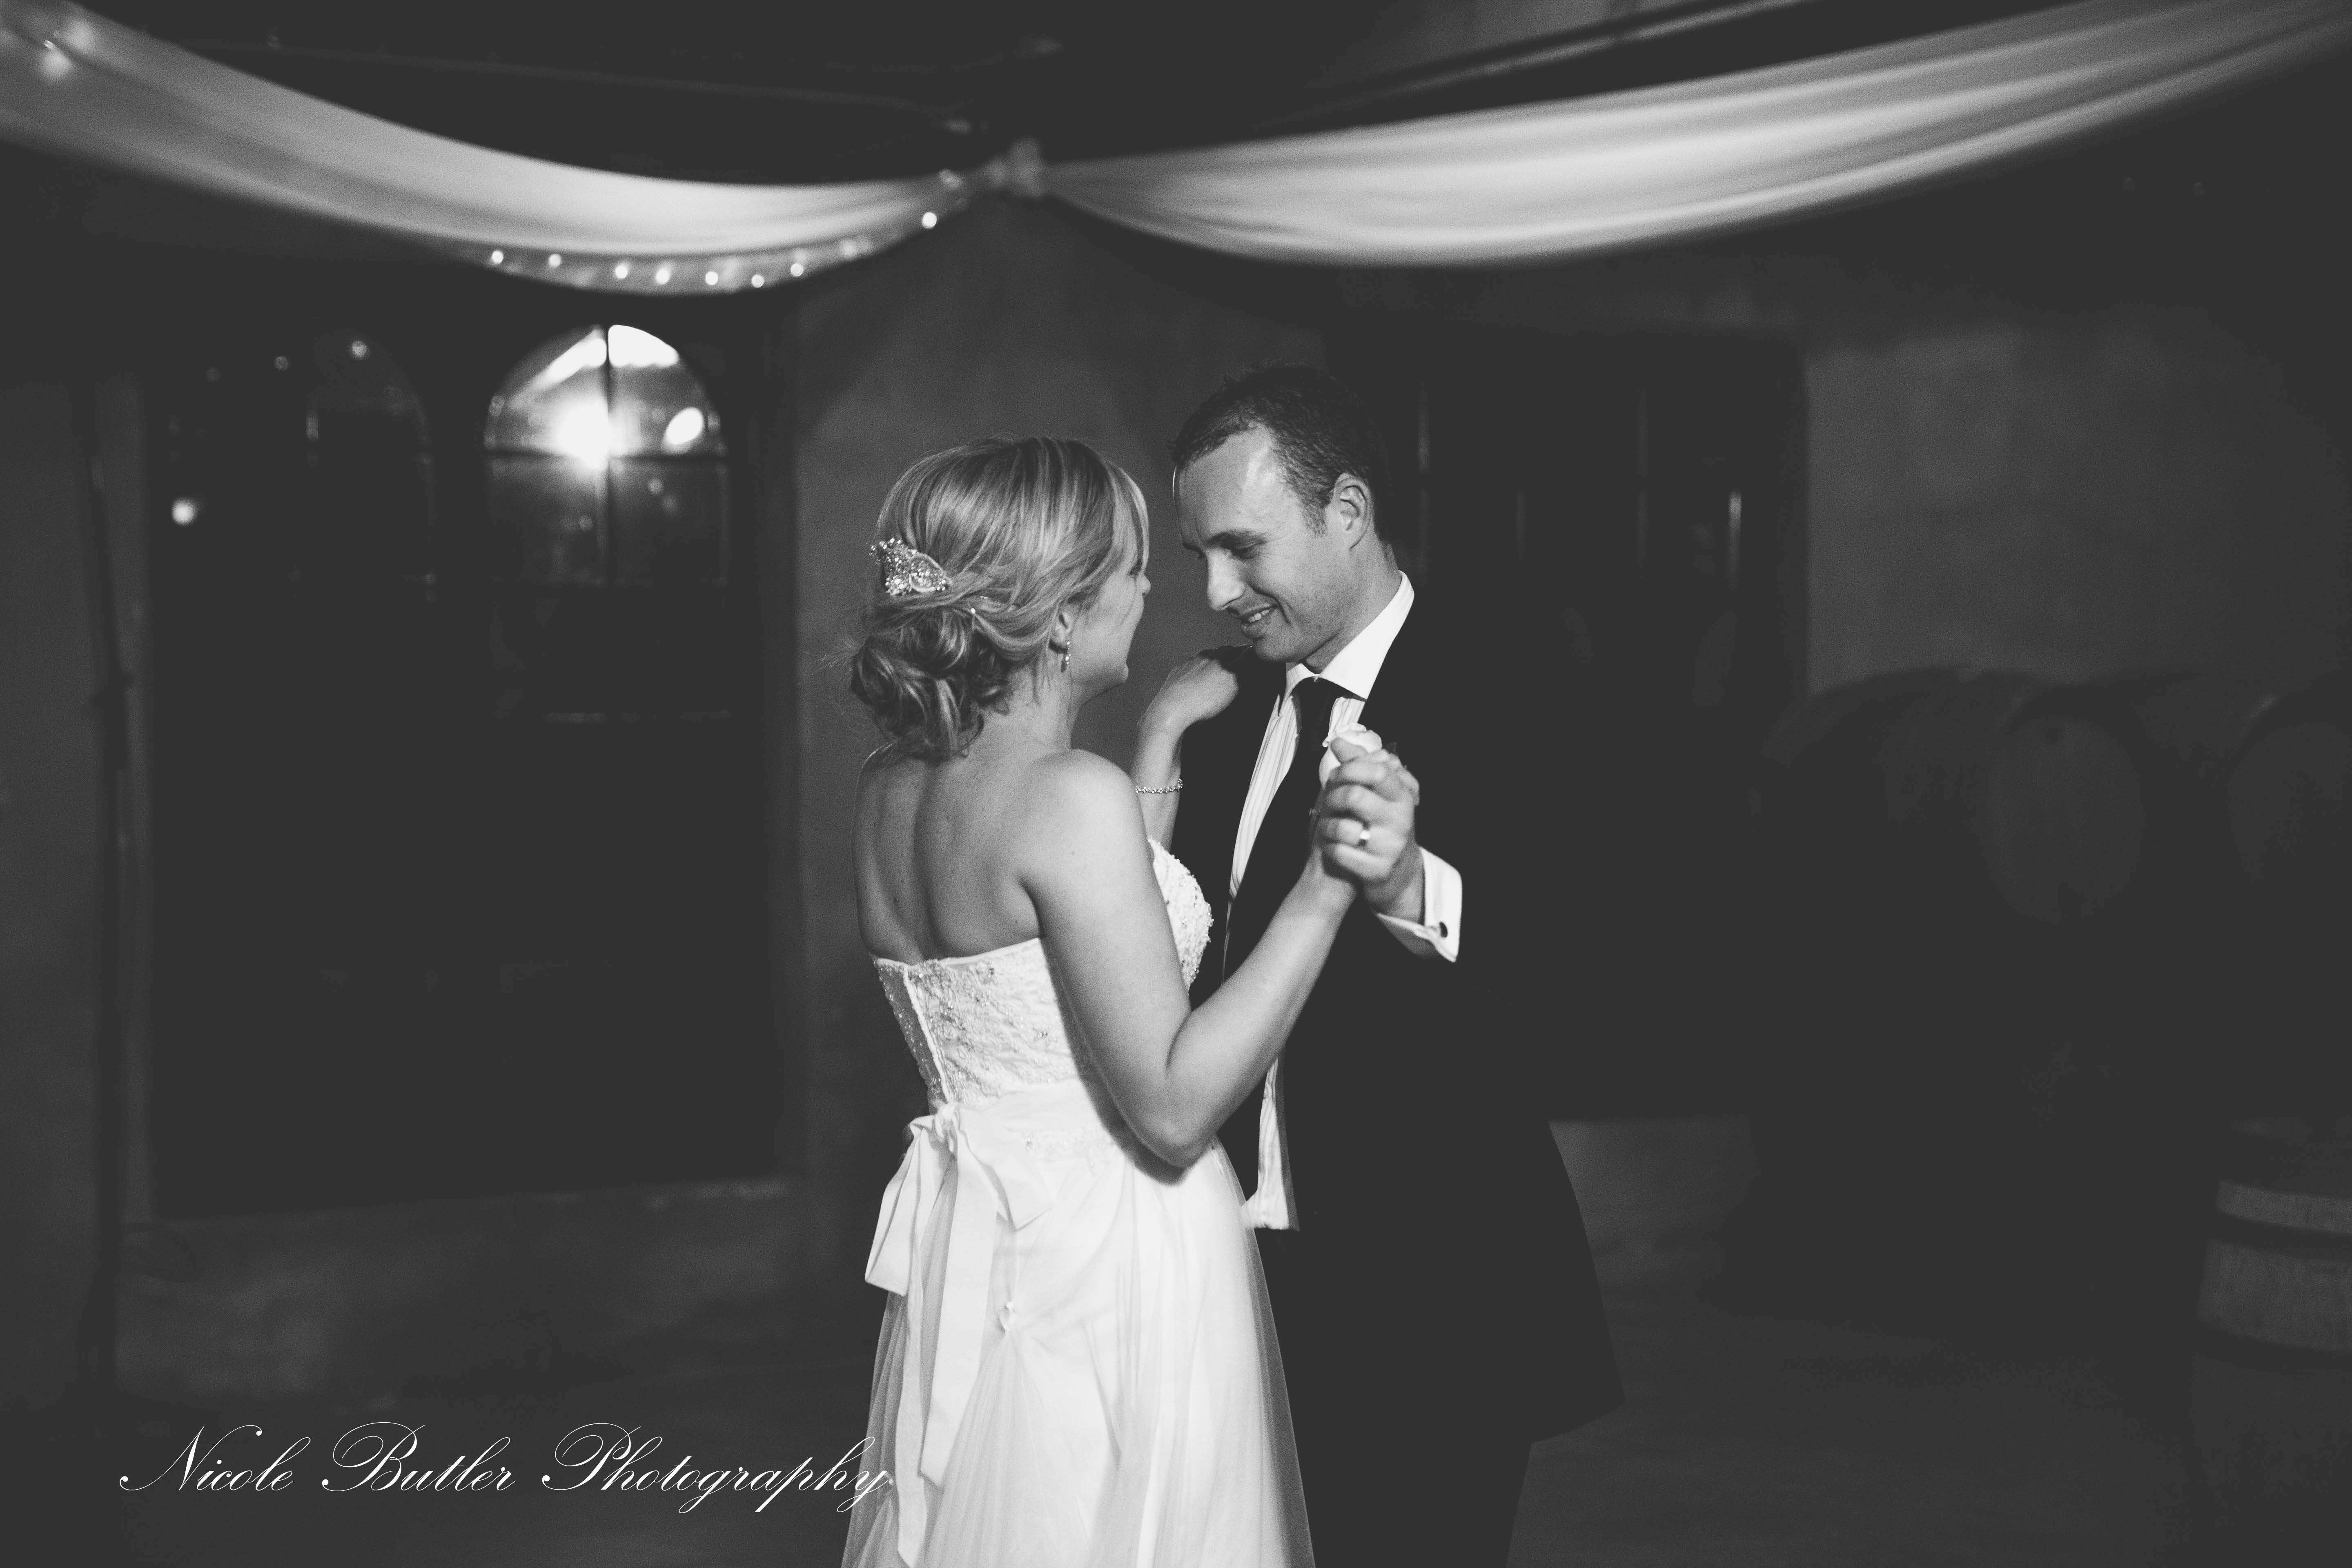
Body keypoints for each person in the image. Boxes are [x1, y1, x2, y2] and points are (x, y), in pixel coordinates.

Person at [838, 435, 1415, 1568]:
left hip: (986, 1247)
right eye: (1136, 567)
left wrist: (1157, 735)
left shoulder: (889, 789)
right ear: (1061, 615)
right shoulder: (1068, 796)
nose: (1158, 591)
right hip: (1115, 1253)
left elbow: (1087, 939)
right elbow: (1172, 1107)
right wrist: (1326, 883)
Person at [1137, 365, 1624, 1567]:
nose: (1216, 591)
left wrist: (1412, 888)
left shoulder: (1518, 679)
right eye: (1200, 555)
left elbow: (1592, 970)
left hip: (1435, 1292)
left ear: (1346, 511)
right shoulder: (1227, 703)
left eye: (1244, 549)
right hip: (1231, 1282)